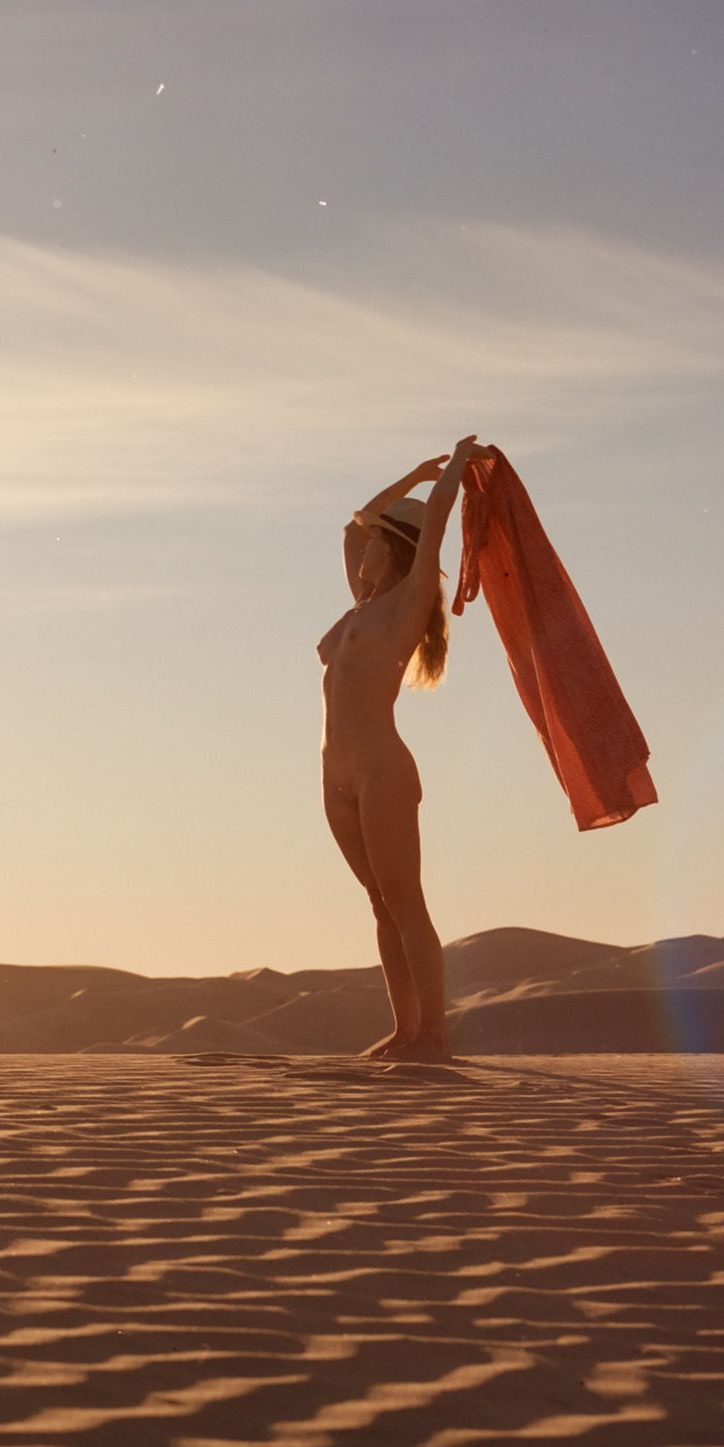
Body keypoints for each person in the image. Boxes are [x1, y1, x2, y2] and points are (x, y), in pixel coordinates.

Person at [315, 436, 483, 1060]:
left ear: (393, 553)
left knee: (405, 902)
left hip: (382, 771)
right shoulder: (360, 609)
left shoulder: (405, 608)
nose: (361, 551)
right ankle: (405, 1031)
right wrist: (411, 473)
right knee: (379, 905)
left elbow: (434, 527)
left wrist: (455, 472)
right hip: (336, 776)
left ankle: (433, 1037)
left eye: (376, 543)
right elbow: (349, 527)